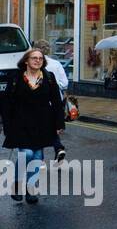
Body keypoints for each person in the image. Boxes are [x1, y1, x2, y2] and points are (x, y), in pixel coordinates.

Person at [3, 48, 65, 204]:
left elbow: (57, 103)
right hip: (21, 122)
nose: (38, 61)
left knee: (37, 157)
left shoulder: (49, 78)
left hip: (43, 123)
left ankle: (30, 190)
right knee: (27, 154)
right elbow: (6, 104)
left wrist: (59, 123)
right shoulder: (16, 77)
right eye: (34, 58)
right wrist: (7, 125)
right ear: (26, 61)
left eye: (40, 58)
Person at [32, 39, 69, 162]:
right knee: (52, 127)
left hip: (40, 102)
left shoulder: (34, 64)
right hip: (55, 102)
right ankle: (58, 148)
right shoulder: (56, 64)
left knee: (39, 128)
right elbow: (65, 83)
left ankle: (40, 160)